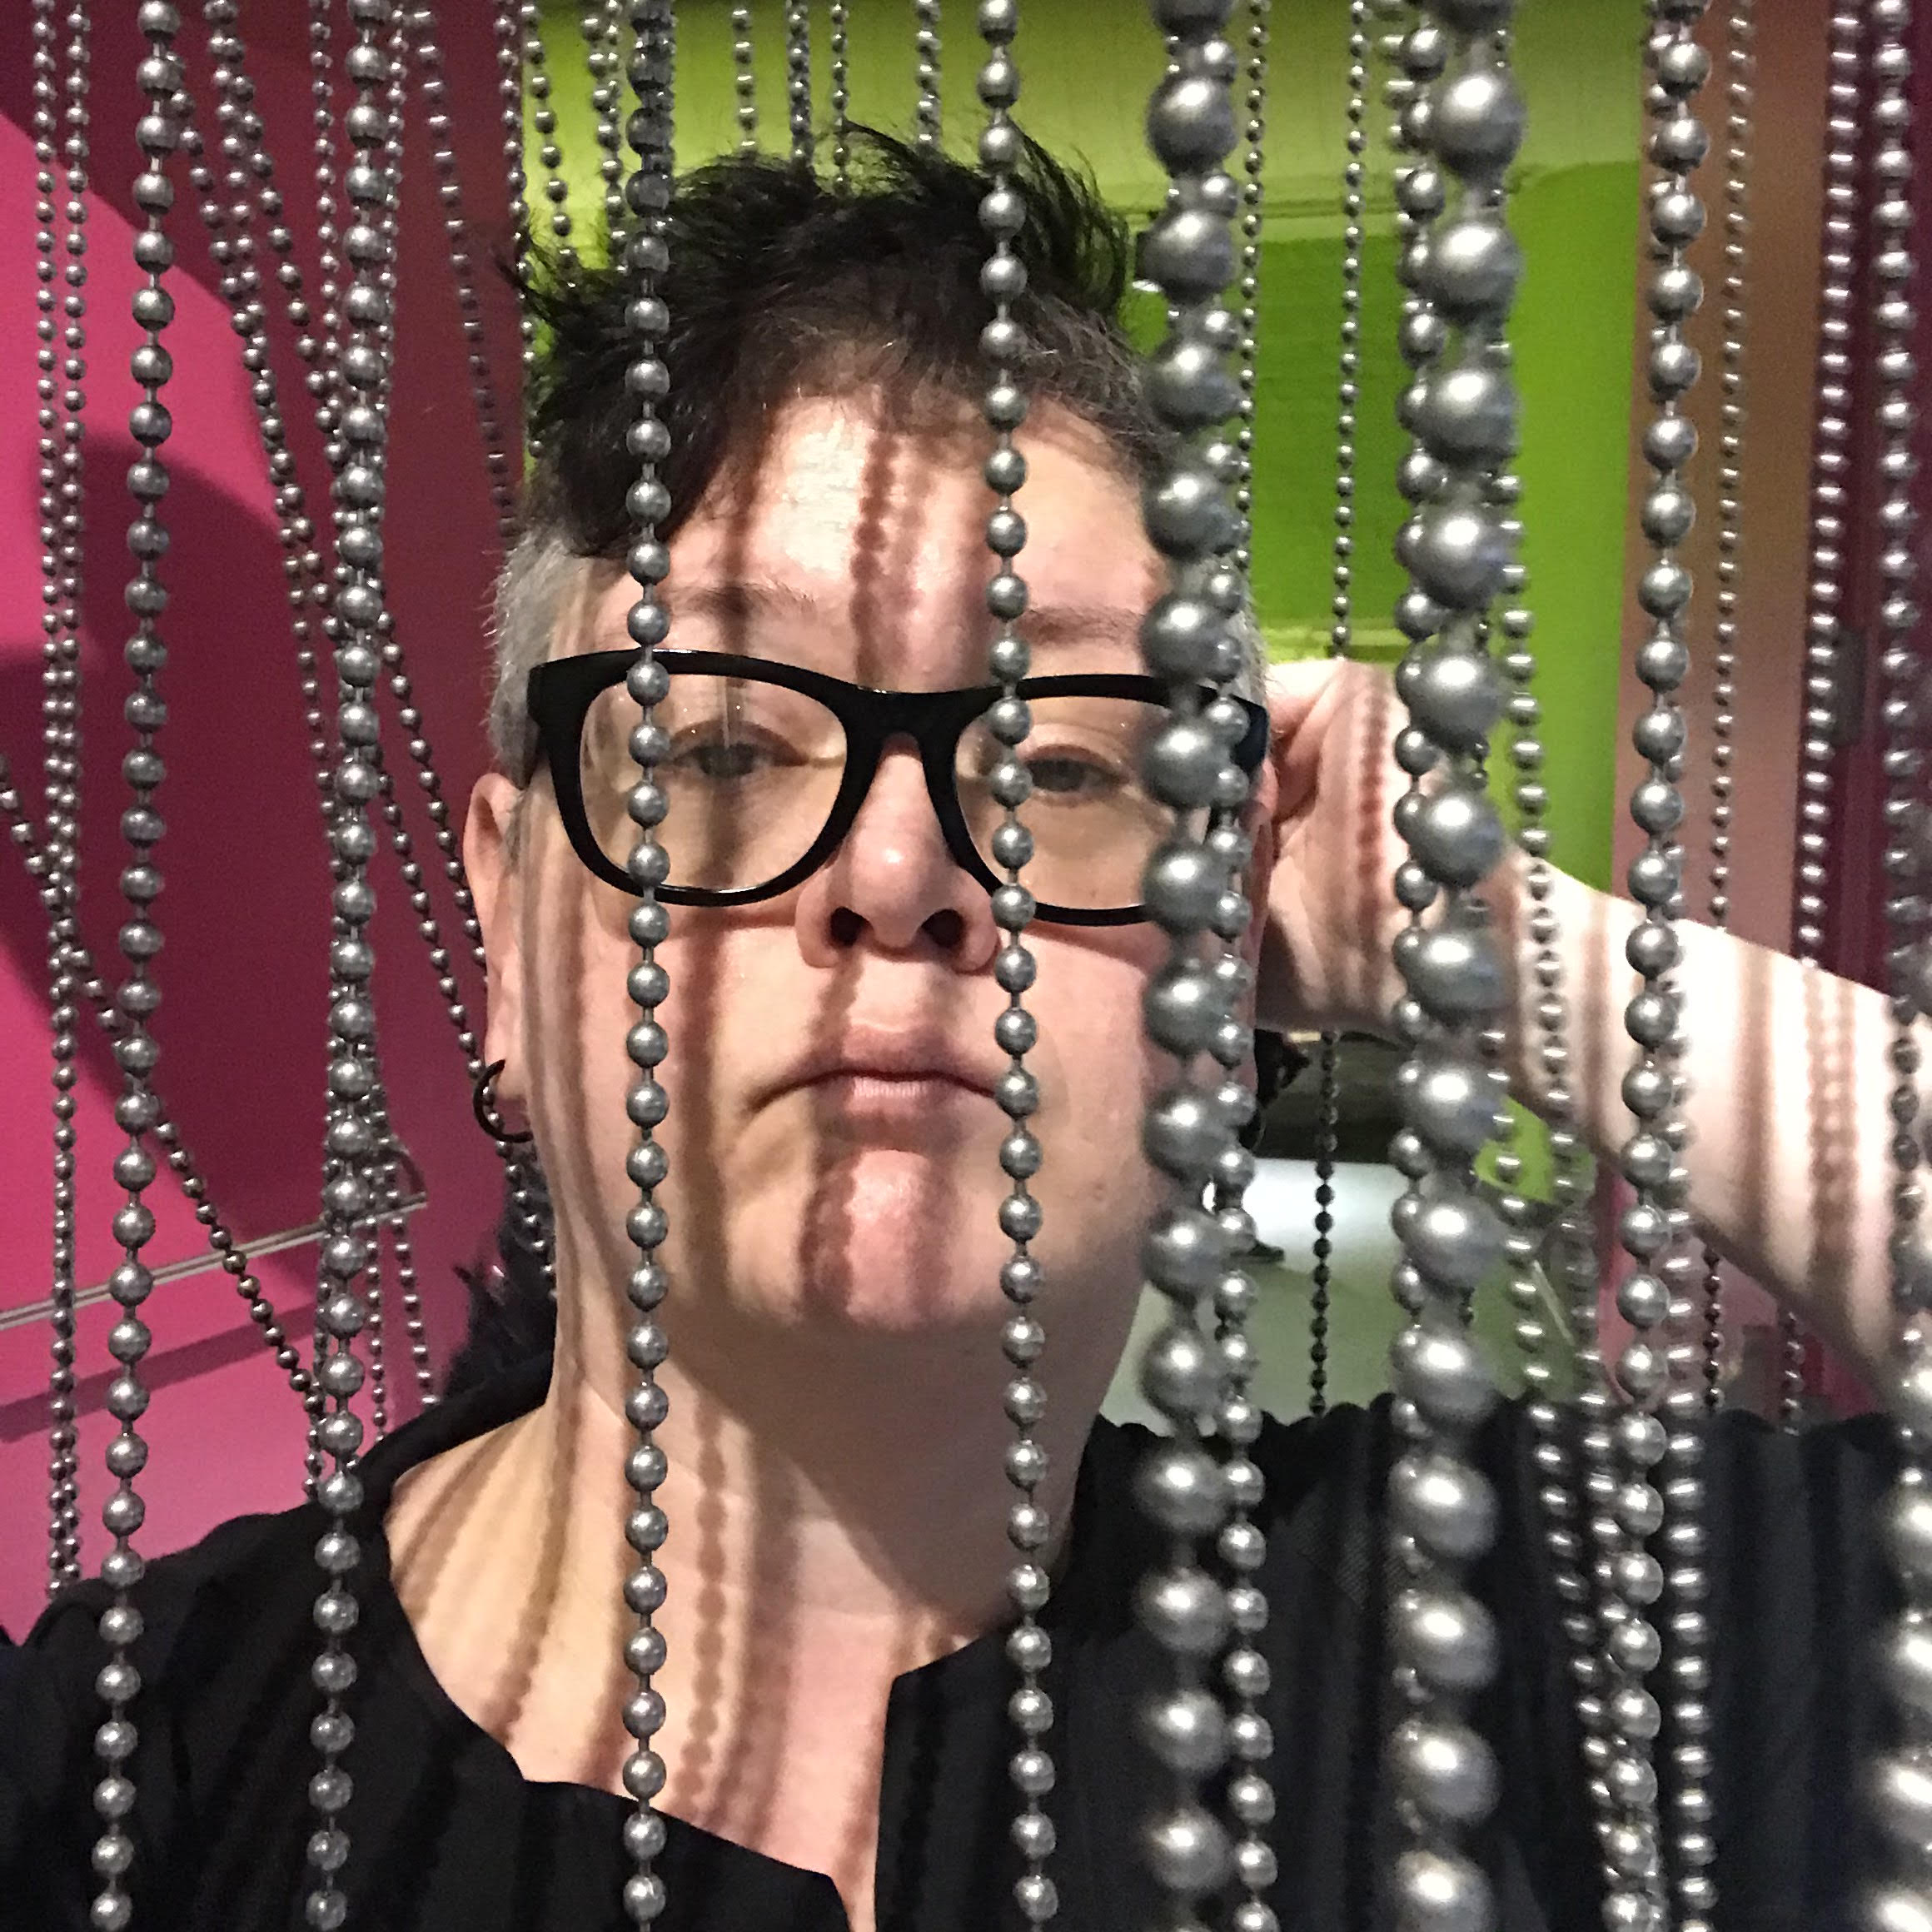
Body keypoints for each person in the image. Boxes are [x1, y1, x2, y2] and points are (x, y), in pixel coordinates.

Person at [0, 132, 1907, 1932]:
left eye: (1061, 766)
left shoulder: (1507, 1648)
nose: (902, 870)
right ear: (505, 922)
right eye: (719, 748)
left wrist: (1488, 937)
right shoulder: (128, 1770)